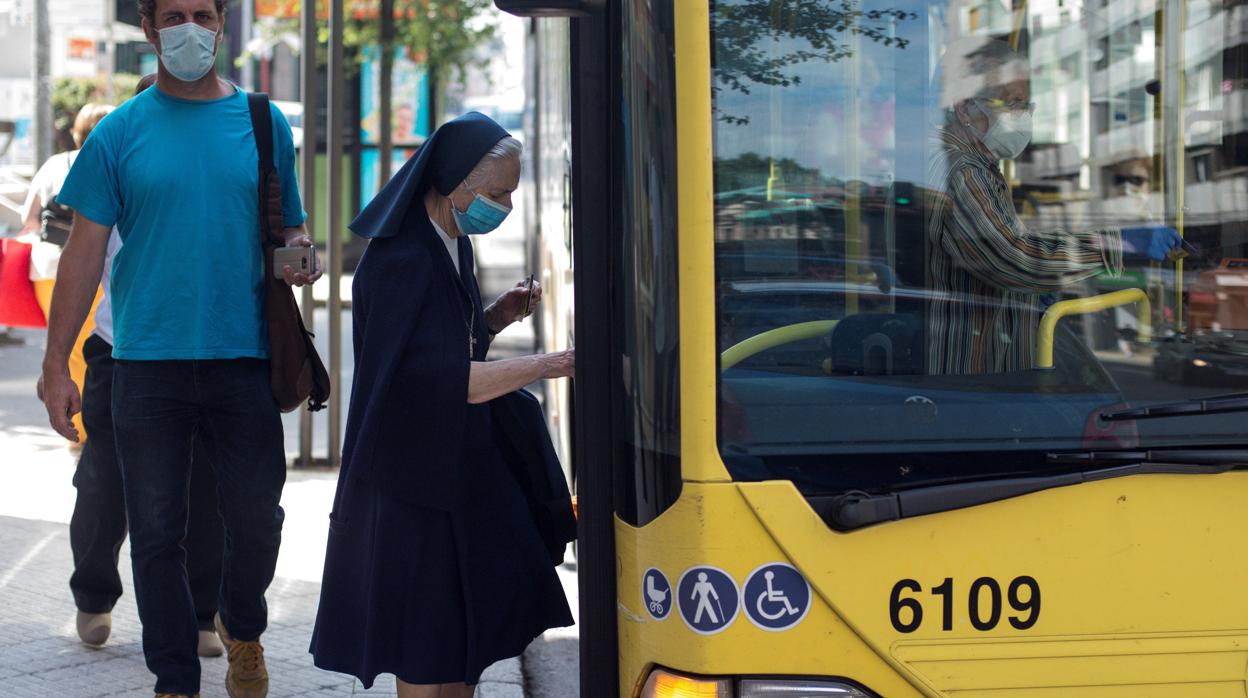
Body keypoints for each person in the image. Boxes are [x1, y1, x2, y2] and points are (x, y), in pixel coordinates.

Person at [39, 0, 318, 694]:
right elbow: (80, 257)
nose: (189, 27)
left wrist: (300, 253)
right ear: (150, 30)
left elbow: (292, 228)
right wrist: (53, 366)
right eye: (173, 15)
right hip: (145, 366)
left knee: (256, 517)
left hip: (244, 360)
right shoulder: (119, 133)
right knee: (158, 531)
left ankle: (243, 626)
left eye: (202, 13)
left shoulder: (262, 122)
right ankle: (174, 679)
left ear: (222, 26)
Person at [310, 112, 575, 698]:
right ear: (455, 184)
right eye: (497, 192)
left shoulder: (450, 241)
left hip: (451, 468)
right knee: (426, 643)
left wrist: (497, 316)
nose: (504, 206)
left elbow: (445, 344)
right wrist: (547, 364)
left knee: (456, 636)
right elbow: (439, 380)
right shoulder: (402, 260)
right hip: (412, 484)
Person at [40, 74, 227, 660]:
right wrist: (55, 366)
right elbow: (80, 260)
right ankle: (94, 595)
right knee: (106, 479)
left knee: (203, 485)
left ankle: (201, 611)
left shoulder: (216, 159)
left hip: (208, 351)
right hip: (122, 350)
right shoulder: (116, 154)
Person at [926, 38, 1181, 374]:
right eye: (1011, 103)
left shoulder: (963, 165)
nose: (1022, 116)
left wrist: (1030, 295)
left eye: (1026, 104)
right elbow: (1015, 257)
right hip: (969, 378)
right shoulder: (964, 173)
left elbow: (987, 266)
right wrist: (1118, 244)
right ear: (964, 107)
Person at [18, 103, 113, 239]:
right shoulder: (116, 171)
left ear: (76, 133)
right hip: (95, 255)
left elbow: (28, 218)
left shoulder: (54, 164)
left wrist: (54, 234)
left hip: (49, 254)